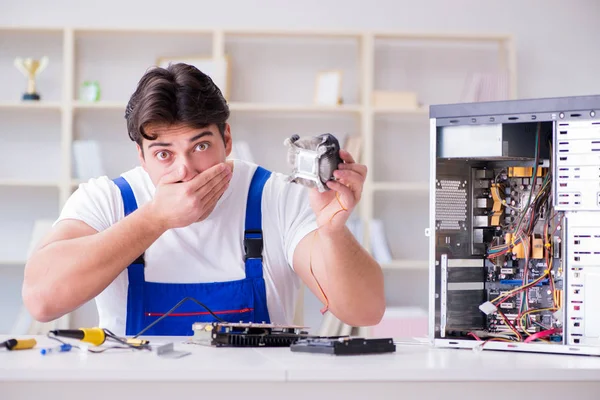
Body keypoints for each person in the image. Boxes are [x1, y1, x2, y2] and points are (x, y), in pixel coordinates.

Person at [22, 63, 385, 336]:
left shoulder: (276, 196)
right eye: (164, 154)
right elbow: (41, 300)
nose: (186, 171)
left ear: (227, 139)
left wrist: (333, 231)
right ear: (141, 155)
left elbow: (366, 312)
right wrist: (154, 219)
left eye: (200, 146)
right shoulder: (108, 199)